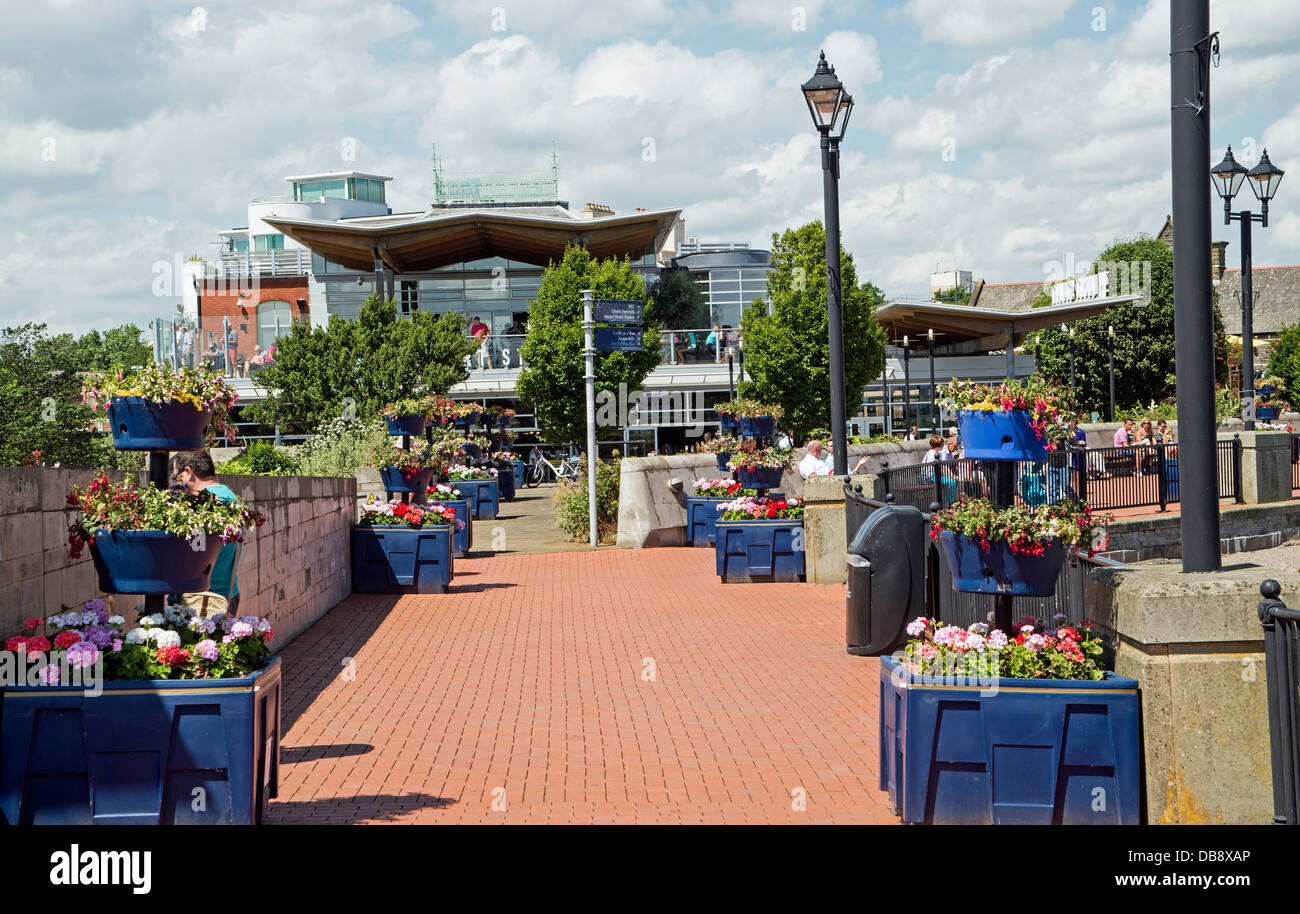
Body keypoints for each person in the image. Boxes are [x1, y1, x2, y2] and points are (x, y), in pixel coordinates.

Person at [169, 450, 243, 618]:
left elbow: (192, 553)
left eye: (176, 477)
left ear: (188, 472)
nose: (177, 484)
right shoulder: (230, 498)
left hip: (201, 602)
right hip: (225, 596)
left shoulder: (203, 504)